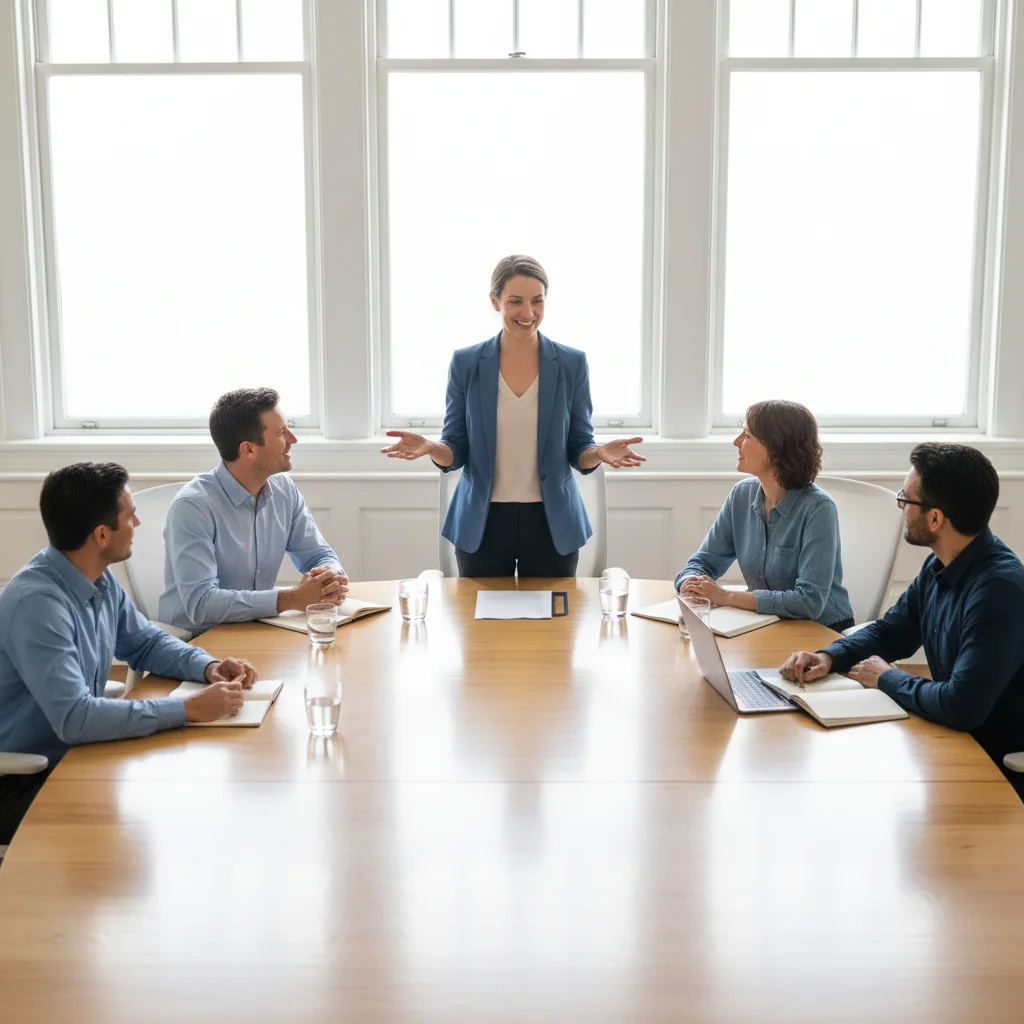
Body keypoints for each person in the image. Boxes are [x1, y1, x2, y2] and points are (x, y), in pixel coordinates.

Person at [0, 463, 258, 846]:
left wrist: (209, 667)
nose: (138, 521)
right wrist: (188, 710)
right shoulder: (39, 606)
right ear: (102, 534)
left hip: (81, 759)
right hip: (27, 783)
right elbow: (76, 719)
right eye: (129, 514)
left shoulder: (96, 577)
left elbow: (145, 643)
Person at [781, 443, 1024, 798]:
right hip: (951, 741)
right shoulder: (942, 563)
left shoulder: (999, 591)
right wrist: (829, 656)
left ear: (935, 518)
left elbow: (962, 707)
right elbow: (891, 632)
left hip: (992, 766)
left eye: (905, 500)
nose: (900, 507)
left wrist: (887, 677)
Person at [379, 255, 645, 576]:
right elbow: (456, 446)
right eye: (515, 302)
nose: (528, 313)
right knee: (480, 623)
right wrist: (431, 448)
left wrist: (599, 453)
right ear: (495, 301)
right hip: (482, 523)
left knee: (554, 622)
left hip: (551, 524)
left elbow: (579, 450)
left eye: (537, 301)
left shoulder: (572, 364)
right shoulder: (466, 363)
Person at [160, 387, 347, 634]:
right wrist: (291, 598)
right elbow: (201, 604)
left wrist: (328, 577)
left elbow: (317, 554)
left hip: (255, 630)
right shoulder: (193, 507)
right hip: (197, 643)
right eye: (281, 432)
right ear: (248, 450)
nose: (292, 439)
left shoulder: (284, 491)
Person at [675, 400, 854, 631]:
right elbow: (704, 561)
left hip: (819, 632)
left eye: (747, 435)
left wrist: (726, 596)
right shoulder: (741, 494)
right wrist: (690, 583)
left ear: (778, 447)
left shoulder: (818, 508)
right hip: (766, 624)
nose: (736, 442)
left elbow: (809, 602)